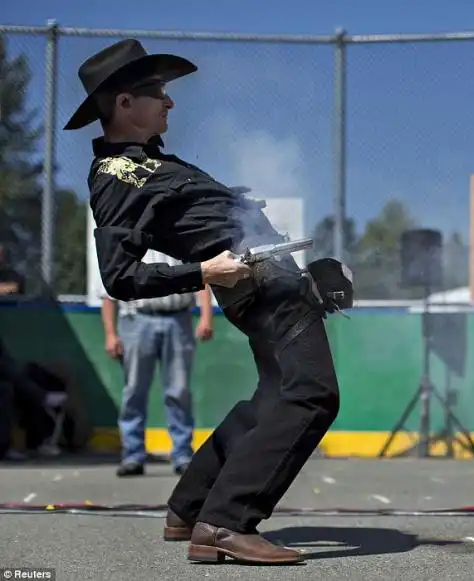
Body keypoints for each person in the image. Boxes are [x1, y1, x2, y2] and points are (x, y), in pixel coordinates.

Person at [64, 39, 352, 565]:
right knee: (312, 394)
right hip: (257, 287)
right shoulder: (116, 176)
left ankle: (189, 507)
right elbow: (120, 276)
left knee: (276, 396)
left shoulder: (147, 165)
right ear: (124, 103)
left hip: (270, 282)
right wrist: (204, 270)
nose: (170, 103)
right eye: (158, 93)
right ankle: (227, 522)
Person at [100, 250, 214, 477]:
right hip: (137, 320)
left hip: (178, 317)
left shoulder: (177, 239)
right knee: (134, 389)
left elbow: (201, 276)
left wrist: (205, 316)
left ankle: (182, 454)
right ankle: (133, 455)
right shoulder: (127, 244)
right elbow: (107, 293)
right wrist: (111, 334)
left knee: (179, 390)